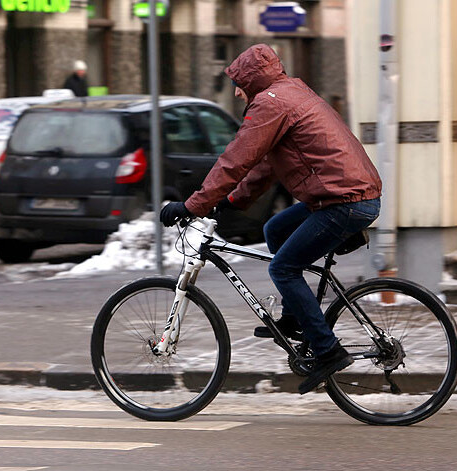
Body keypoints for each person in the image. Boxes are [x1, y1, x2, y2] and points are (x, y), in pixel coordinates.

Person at [160, 44, 382, 394]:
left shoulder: (270, 103)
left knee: (282, 268)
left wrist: (193, 206)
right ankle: (297, 319)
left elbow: (236, 159)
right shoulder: (290, 91)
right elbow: (264, 164)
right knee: (275, 228)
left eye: (238, 82)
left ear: (252, 79)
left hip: (343, 201)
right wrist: (233, 199)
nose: (236, 90)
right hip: (345, 195)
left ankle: (328, 352)